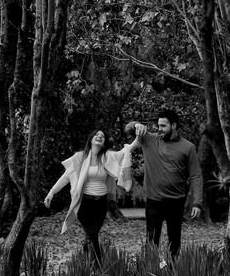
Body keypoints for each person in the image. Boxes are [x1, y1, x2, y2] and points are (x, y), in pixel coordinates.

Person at [44, 129, 135, 264]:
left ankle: (87, 263)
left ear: (104, 143)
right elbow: (66, 177)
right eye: (96, 135)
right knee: (92, 234)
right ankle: (98, 266)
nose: (99, 136)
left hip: (101, 203)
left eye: (102, 136)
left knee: (92, 235)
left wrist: (137, 140)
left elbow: (124, 152)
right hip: (84, 202)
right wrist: (51, 192)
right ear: (91, 139)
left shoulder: (108, 157)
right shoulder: (80, 158)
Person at [127, 108, 202, 258]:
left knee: (174, 241)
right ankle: (151, 272)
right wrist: (136, 125)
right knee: (151, 240)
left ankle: (171, 272)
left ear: (173, 126)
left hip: (176, 201)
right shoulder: (149, 139)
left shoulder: (188, 147)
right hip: (154, 201)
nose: (159, 129)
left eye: (163, 126)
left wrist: (197, 203)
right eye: (158, 125)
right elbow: (127, 128)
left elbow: (195, 176)